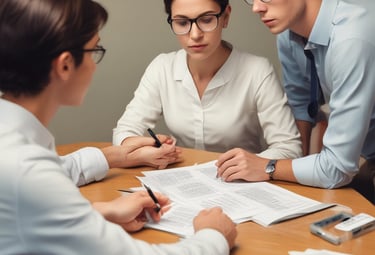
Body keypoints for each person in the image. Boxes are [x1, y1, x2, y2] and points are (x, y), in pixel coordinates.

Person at [0, 0, 237, 254]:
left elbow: (48, 182)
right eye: (94, 50)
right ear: (65, 65)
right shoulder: (27, 172)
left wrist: (108, 188)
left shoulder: (13, 142)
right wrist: (214, 234)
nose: (94, 64)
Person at [216, 0, 375, 203]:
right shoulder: (289, 31)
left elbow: (337, 168)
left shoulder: (351, 38)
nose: (257, 8)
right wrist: (296, 175)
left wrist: (267, 166)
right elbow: (301, 104)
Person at [112, 0, 302, 169]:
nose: (195, 34)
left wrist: (253, 164)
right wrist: (146, 152)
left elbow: (289, 148)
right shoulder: (162, 67)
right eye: (182, 23)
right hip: (181, 182)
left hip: (241, 183)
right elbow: (124, 131)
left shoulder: (257, 70)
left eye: (206, 20)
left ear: (225, 16)